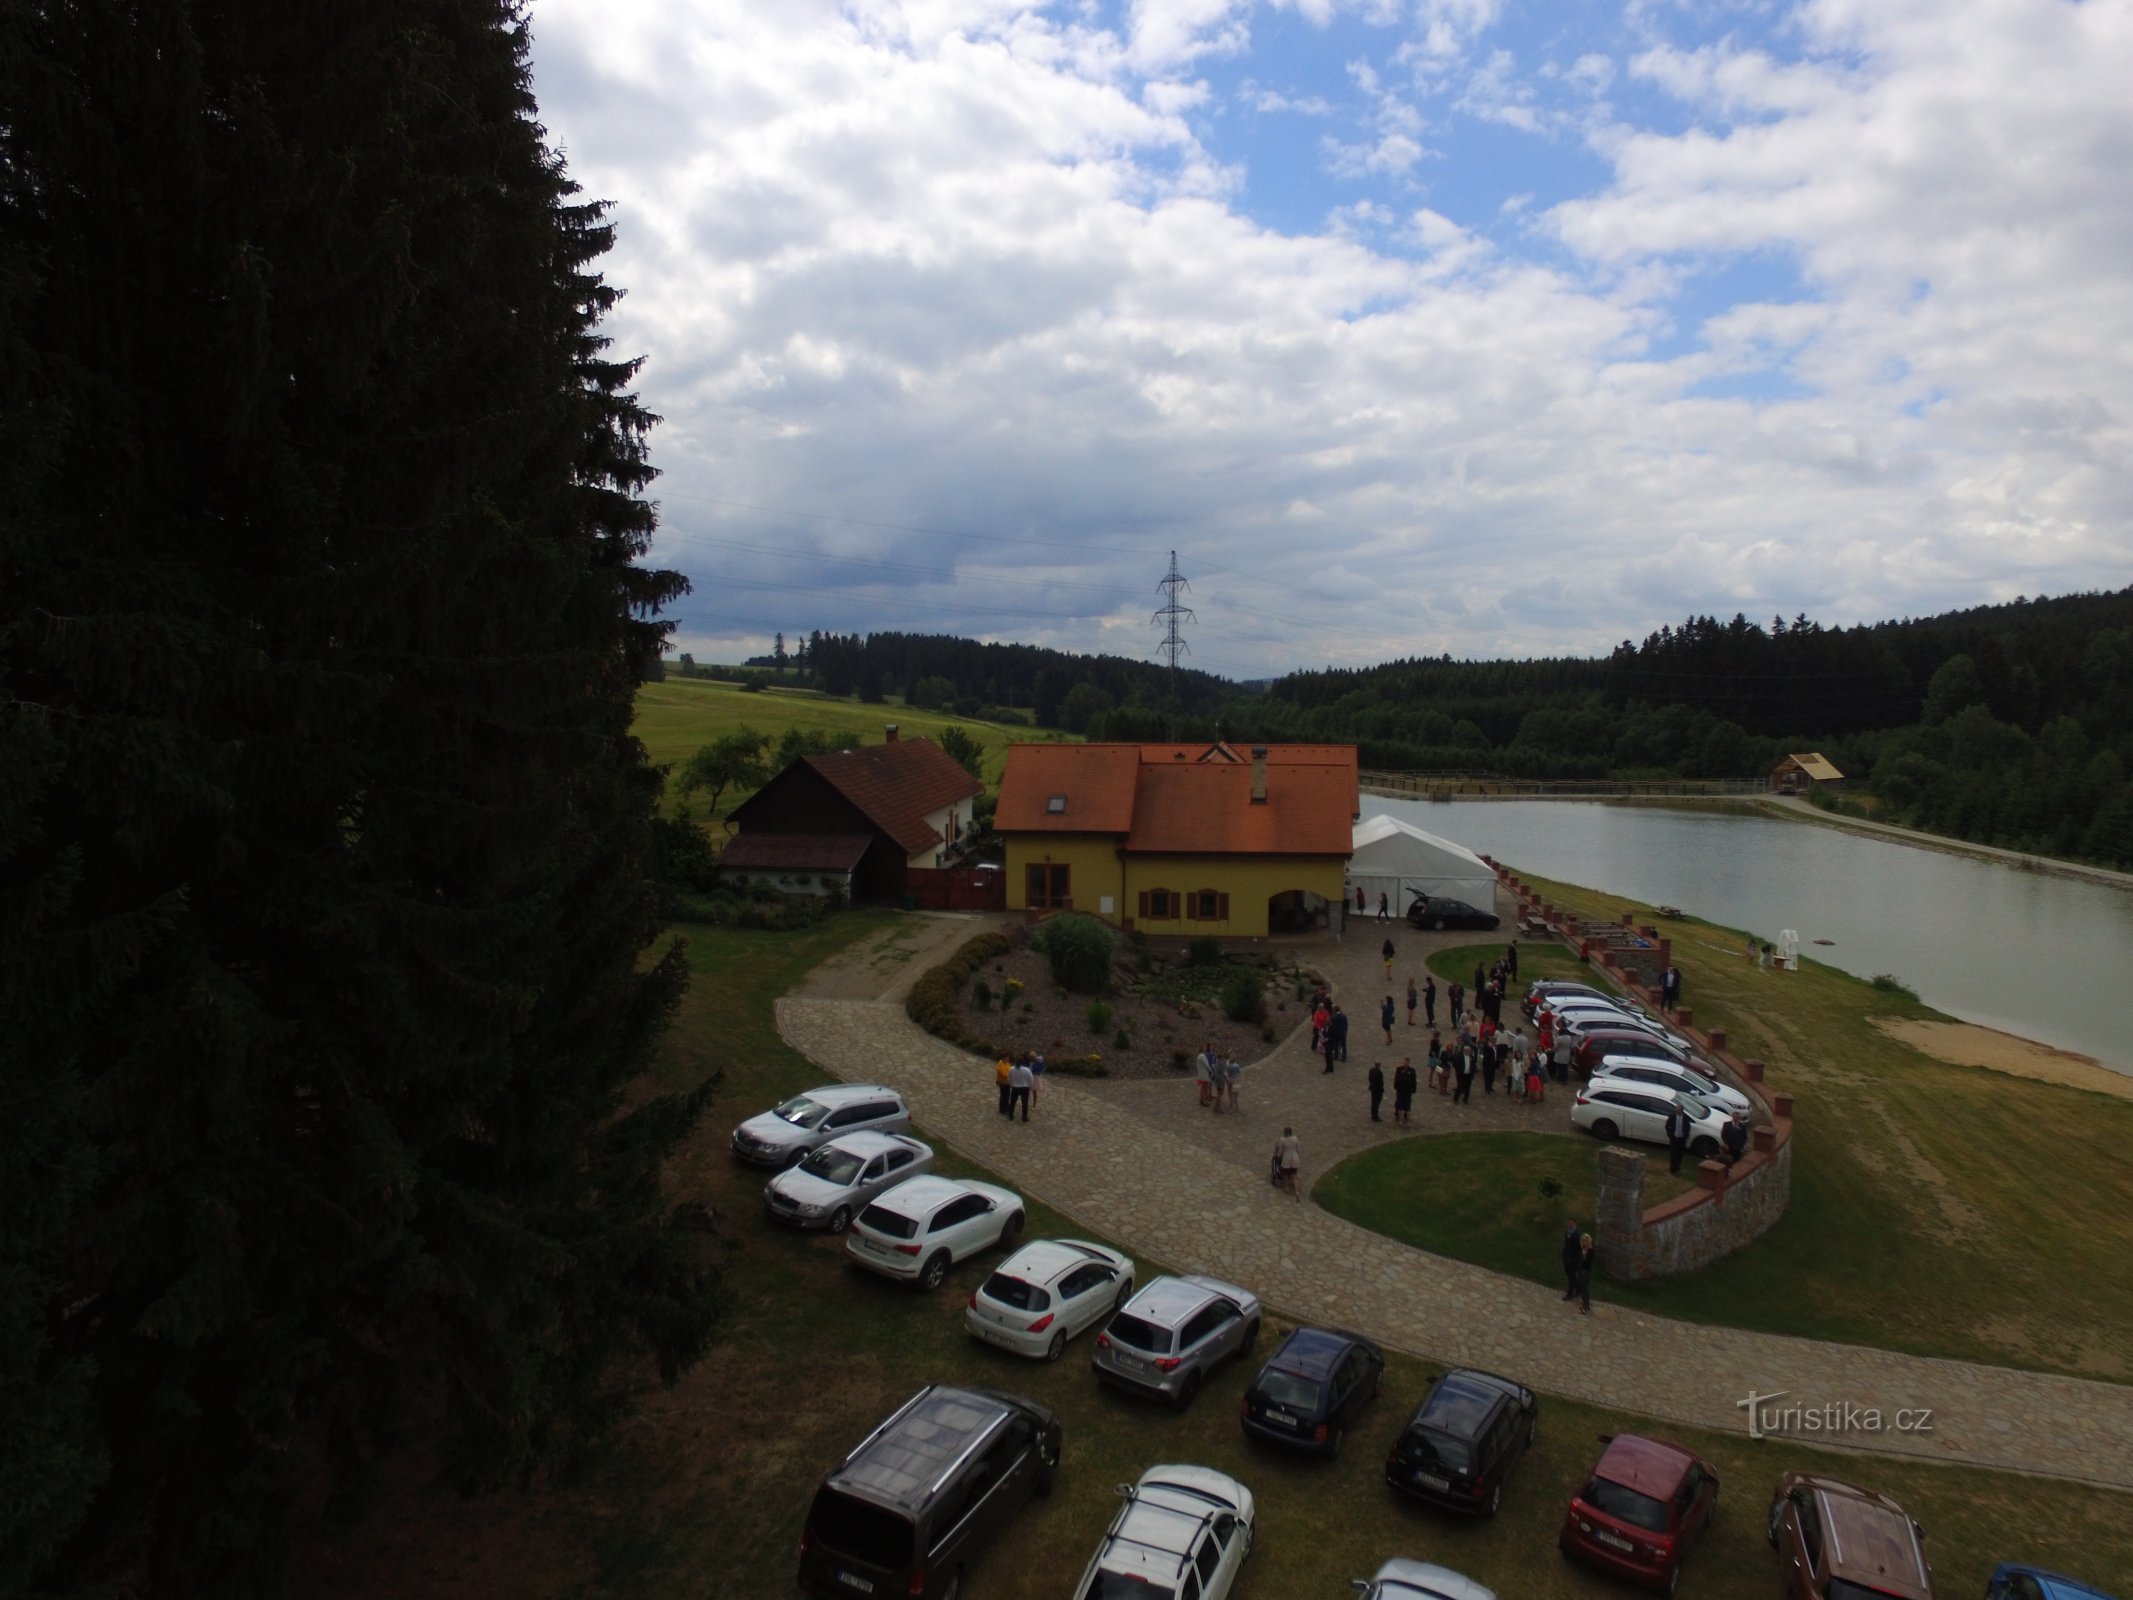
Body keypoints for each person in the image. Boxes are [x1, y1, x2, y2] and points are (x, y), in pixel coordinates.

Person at [1273, 1127, 1302, 1200]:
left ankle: (1286, 1188)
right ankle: (1297, 1192)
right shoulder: (1295, 1139)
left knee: (1285, 1175)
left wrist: (1278, 1156)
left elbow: (1280, 1153)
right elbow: (1298, 1149)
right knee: (1294, 1176)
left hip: (1287, 1159)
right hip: (1295, 1159)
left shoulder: (1284, 1141)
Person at [1665, 1098, 1691, 1175]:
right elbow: (1667, 1126)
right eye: (1676, 1109)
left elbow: (1687, 1128)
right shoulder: (1672, 1116)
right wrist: (1670, 1135)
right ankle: (1672, 1169)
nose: (1676, 1110)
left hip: (1682, 1139)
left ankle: (1678, 1167)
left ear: (1681, 1110)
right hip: (1674, 1138)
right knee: (1673, 1154)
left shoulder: (1686, 1118)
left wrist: (1685, 1137)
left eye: (1678, 1109)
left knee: (1680, 1154)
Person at [1560, 1222, 1583, 1302]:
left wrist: (1576, 1260)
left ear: (1574, 1224)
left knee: (1571, 1276)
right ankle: (1579, 1288)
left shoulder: (1577, 1235)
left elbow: (1579, 1249)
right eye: (1568, 1223)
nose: (1569, 1225)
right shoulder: (1567, 1232)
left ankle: (1569, 1294)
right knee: (1569, 1274)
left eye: (1571, 1224)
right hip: (1567, 1256)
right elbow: (1567, 1244)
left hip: (1573, 1259)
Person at [1008, 1056, 1034, 1122]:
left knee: (1012, 1102)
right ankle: (1024, 1117)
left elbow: (1009, 1078)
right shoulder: (1027, 1070)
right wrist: (1031, 1087)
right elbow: (1031, 1080)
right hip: (1024, 1088)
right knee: (1024, 1103)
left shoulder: (1012, 1069)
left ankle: (1010, 1115)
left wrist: (1012, 1085)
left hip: (1015, 1087)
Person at [1392, 1059, 1417, 1126]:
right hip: (1400, 1090)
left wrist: (1414, 1089)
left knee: (1407, 1105)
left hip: (1408, 1091)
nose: (1406, 1064)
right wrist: (1396, 1086)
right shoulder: (1399, 1069)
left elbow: (1414, 1080)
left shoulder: (1412, 1071)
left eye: (1407, 1063)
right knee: (1399, 1104)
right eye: (1405, 1062)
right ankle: (1398, 1116)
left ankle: (1406, 1118)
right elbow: (1396, 1078)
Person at [1576, 1233, 1595, 1314]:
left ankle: (1585, 1305)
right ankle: (1585, 1303)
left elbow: (1588, 1262)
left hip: (1586, 1271)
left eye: (1586, 1240)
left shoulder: (1591, 1251)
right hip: (1580, 1270)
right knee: (1582, 1288)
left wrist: (1584, 1255)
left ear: (1589, 1241)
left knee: (1585, 1289)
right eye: (1583, 1240)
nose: (1584, 1242)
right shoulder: (1581, 1249)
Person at [1195, 1043, 1214, 1108]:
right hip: (1204, 1074)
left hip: (1202, 1074)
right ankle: (1203, 1100)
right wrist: (1211, 1072)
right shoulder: (1202, 1056)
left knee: (1203, 1087)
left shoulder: (1199, 1055)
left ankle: (1203, 1099)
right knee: (1203, 1087)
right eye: (1205, 1047)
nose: (1206, 1048)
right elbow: (1207, 1065)